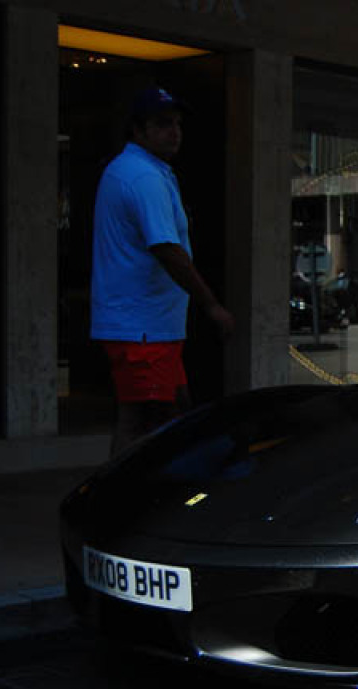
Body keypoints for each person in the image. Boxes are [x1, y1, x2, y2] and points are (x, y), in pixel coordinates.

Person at [90, 86, 234, 456]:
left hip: (151, 326)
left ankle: (140, 495)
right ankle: (126, 500)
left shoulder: (142, 171)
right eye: (162, 124)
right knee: (146, 420)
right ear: (138, 130)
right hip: (142, 329)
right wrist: (211, 304)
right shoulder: (142, 177)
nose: (174, 132)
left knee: (172, 411)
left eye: (177, 124)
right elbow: (167, 250)